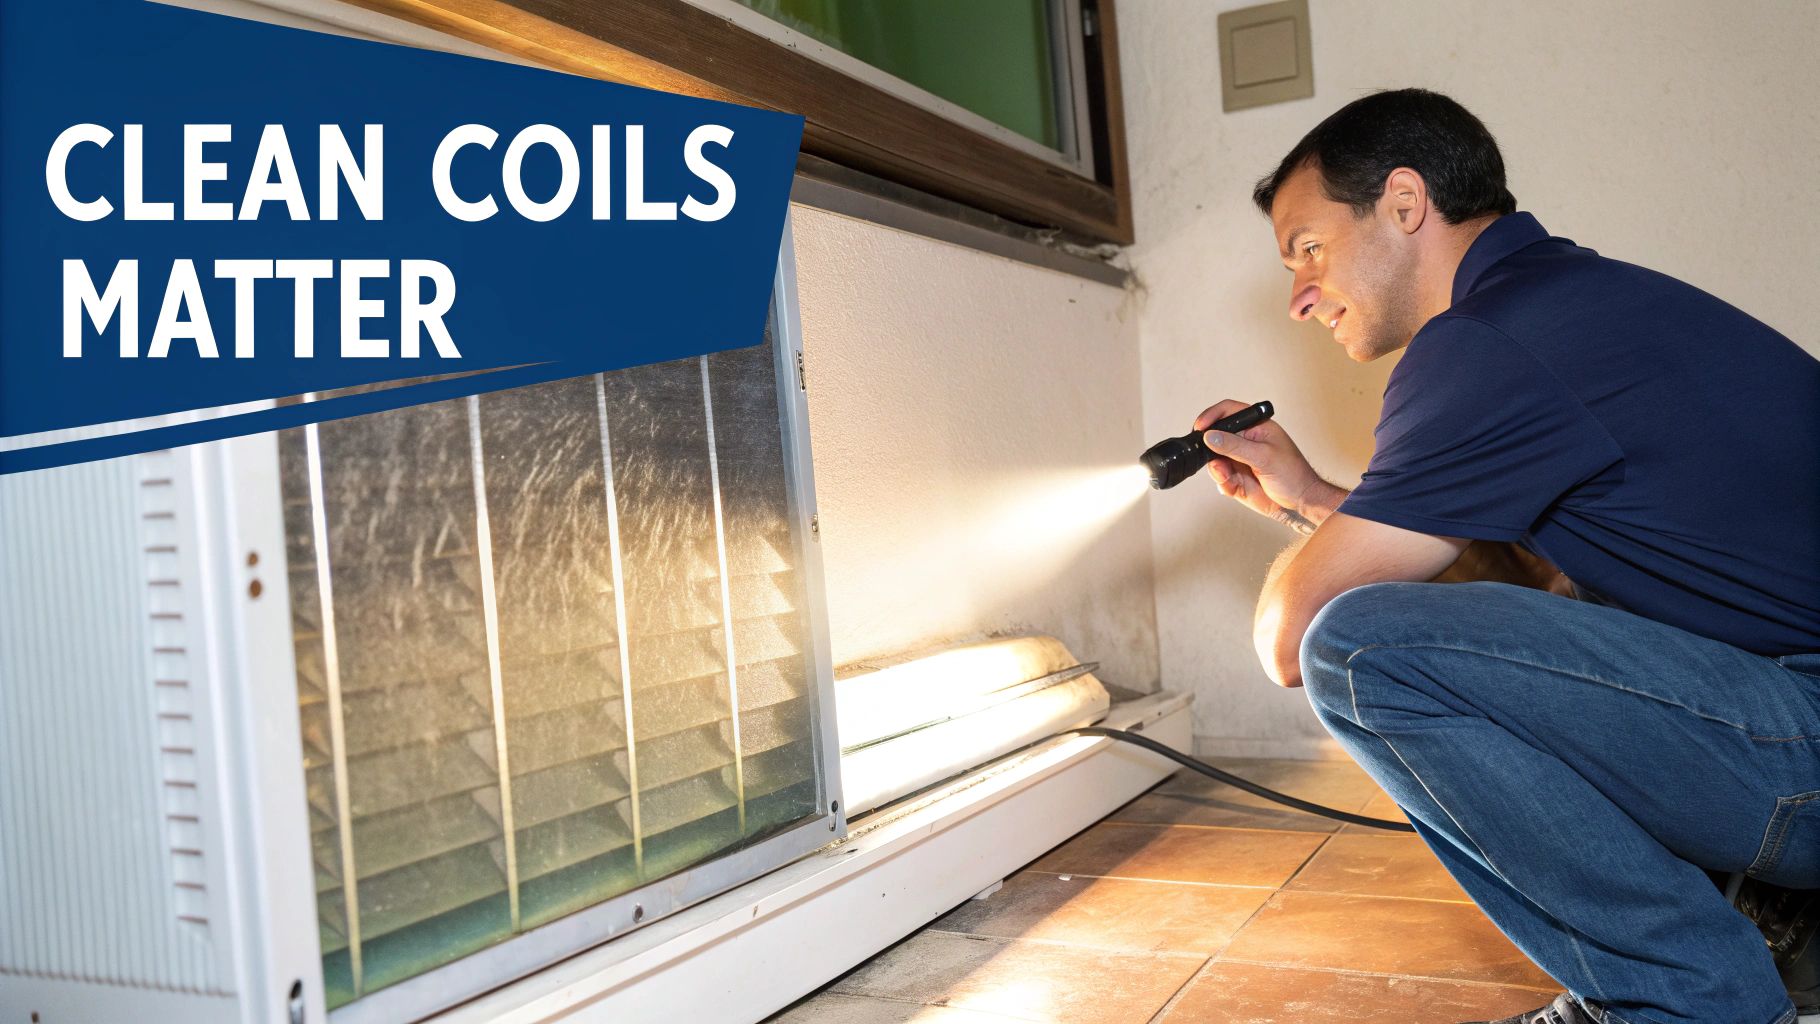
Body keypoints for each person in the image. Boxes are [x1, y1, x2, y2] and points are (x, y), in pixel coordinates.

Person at [1197, 88, 1820, 1024]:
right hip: (1791, 713)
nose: (1298, 298)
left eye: (1309, 249)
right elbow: (1531, 625)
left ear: (1405, 203)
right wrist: (1323, 506)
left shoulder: (1483, 344)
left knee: (1356, 648)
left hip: (1804, 737)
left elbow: (1288, 641)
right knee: (1537, 614)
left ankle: (1681, 999)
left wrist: (1330, 541)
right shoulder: (1573, 306)